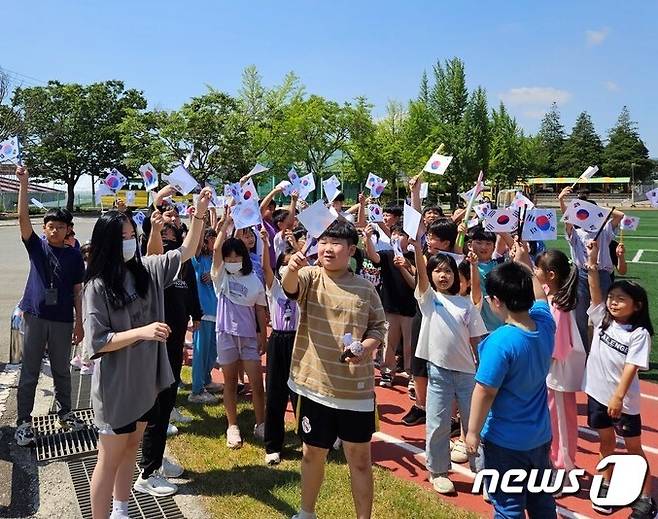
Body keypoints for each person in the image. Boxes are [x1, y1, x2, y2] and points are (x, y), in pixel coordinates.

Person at [82, 188, 211, 519]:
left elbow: (186, 250)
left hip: (146, 384)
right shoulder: (96, 287)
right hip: (116, 388)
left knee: (129, 452)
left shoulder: (148, 270)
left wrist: (199, 213)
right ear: (108, 242)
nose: (130, 241)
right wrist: (143, 331)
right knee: (108, 459)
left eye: (132, 235)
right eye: (123, 237)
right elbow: (97, 342)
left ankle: (121, 511)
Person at [282, 220, 387, 519]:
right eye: (325, 242)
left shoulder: (365, 289)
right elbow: (290, 287)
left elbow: (378, 326)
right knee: (312, 452)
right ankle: (306, 512)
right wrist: (292, 266)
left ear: (352, 250)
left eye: (337, 243)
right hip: (314, 385)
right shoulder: (311, 276)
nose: (328, 248)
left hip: (354, 391)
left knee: (360, 459)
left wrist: (366, 347)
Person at [466, 239, 557, 519]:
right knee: (542, 502)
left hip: (505, 442)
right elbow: (541, 296)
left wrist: (471, 432)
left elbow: (485, 391)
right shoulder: (544, 323)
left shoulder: (499, 342)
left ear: (495, 301)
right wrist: (524, 263)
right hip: (539, 436)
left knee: (508, 506)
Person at [14, 166, 86, 447]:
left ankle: (65, 413)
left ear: (69, 229)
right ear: (44, 229)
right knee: (30, 370)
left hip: (62, 320)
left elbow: (77, 292)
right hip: (35, 316)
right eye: (50, 226)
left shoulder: (74, 257)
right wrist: (24, 184)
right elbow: (22, 218)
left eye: (60, 226)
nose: (55, 230)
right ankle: (23, 421)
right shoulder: (37, 247)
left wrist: (79, 323)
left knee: (62, 369)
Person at [583, 240, 656, 518]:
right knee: (605, 444)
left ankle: (646, 498)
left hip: (622, 402)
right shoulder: (603, 317)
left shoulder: (638, 334)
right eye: (612, 297)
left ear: (636, 306)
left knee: (634, 448)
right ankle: (608, 483)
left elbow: (631, 367)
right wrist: (591, 262)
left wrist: (618, 397)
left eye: (621, 299)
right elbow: (594, 291)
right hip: (596, 395)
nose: (613, 302)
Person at [135, 210, 203, 496]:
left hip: (174, 347)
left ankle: (156, 458)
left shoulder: (183, 265)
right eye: (161, 233)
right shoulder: (153, 266)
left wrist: (199, 213)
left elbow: (189, 290)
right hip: (155, 347)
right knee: (155, 409)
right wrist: (155, 226)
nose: (167, 236)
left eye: (171, 231)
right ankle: (147, 472)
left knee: (166, 405)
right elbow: (152, 254)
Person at [413, 241, 486, 494]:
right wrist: (417, 249)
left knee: (475, 424)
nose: (443, 276)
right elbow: (421, 280)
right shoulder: (430, 300)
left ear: (456, 275)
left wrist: (474, 267)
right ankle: (439, 471)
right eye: (437, 271)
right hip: (438, 372)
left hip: (468, 374)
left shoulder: (466, 304)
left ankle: (483, 472)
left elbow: (477, 338)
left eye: (448, 271)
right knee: (438, 422)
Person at [212, 208, 268, 449]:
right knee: (230, 383)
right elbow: (215, 249)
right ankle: (232, 426)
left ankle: (261, 423)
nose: (233, 262)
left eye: (237, 258)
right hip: (225, 335)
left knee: (257, 384)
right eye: (229, 258)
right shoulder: (221, 276)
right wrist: (225, 225)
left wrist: (263, 335)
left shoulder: (253, 279)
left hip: (248, 338)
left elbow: (259, 310)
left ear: (245, 257)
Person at [534, 249, 586, 473]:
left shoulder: (560, 308)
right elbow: (534, 287)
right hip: (548, 374)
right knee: (549, 420)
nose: (536, 272)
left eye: (539, 268)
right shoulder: (548, 293)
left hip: (557, 376)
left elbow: (558, 348)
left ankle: (564, 469)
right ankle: (553, 462)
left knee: (561, 423)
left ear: (551, 274)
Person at [403, 218, 458, 426]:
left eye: (433, 237)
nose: (428, 239)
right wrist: (415, 192)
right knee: (418, 364)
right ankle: (421, 406)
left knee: (445, 366)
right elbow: (416, 223)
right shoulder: (425, 256)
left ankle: (452, 417)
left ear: (446, 243)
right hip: (421, 315)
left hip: (444, 319)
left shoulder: (455, 260)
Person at [558, 186, 625, 350]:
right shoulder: (576, 233)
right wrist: (561, 200)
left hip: (602, 274)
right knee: (580, 315)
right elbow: (567, 220)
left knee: (604, 312)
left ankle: (603, 347)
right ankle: (584, 350)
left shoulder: (604, 231)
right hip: (580, 274)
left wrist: (594, 208)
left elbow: (620, 215)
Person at [260, 228, 299, 465]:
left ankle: (309, 437)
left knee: (301, 392)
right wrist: (265, 244)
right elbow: (266, 268)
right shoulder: (274, 287)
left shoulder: (304, 288)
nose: (287, 269)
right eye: (283, 265)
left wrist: (297, 247)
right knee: (275, 392)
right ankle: (273, 445)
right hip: (278, 340)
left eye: (291, 265)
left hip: (299, 340)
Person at [363, 224, 416, 389]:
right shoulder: (387, 255)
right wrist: (367, 240)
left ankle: (412, 374)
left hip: (411, 308)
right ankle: (387, 371)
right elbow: (373, 257)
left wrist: (406, 265)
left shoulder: (415, 256)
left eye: (400, 235)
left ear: (408, 239)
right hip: (390, 307)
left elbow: (418, 279)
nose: (396, 238)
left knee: (410, 343)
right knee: (388, 341)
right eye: (393, 234)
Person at [189, 227, 222, 404]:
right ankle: (196, 390)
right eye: (213, 238)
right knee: (200, 352)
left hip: (216, 312)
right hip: (203, 312)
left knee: (212, 352)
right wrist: (200, 223)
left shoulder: (216, 260)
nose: (216, 241)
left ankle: (206, 380)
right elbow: (197, 243)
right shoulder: (198, 259)